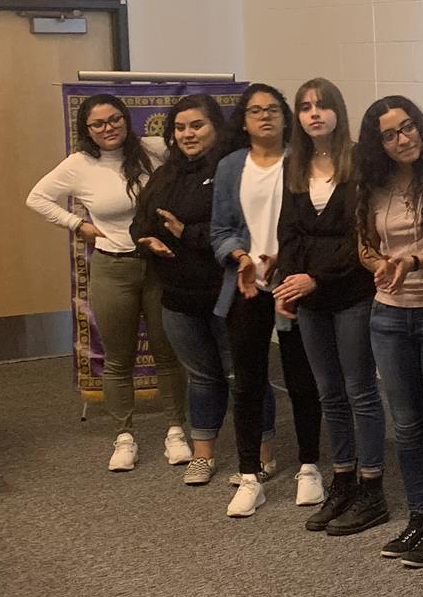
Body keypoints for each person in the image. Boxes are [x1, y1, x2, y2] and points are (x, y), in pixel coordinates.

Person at [27, 92, 190, 473]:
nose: (108, 128)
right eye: (98, 124)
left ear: (126, 119)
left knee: (168, 353)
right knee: (118, 359)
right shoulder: (79, 164)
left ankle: (176, 430)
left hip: (159, 266)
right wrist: (77, 224)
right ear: (87, 129)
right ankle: (124, 436)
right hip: (113, 268)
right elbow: (37, 198)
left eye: (114, 119)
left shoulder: (153, 149)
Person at [134, 94, 274, 488]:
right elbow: (140, 220)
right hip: (177, 295)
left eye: (197, 125)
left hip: (227, 292)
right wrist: (146, 240)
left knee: (244, 376)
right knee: (201, 377)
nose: (187, 134)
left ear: (217, 126)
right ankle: (203, 455)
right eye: (179, 127)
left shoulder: (235, 170)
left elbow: (241, 229)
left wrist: (186, 233)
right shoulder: (166, 173)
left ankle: (263, 455)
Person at [274, 78, 389, 537]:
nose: (314, 114)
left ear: (338, 111)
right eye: (305, 107)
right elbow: (288, 232)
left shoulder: (359, 162)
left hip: (352, 293)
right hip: (309, 300)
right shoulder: (295, 165)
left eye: (322, 105)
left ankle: (372, 487)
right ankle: (342, 479)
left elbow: (361, 237)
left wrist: (317, 277)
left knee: (360, 390)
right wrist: (288, 285)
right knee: (329, 393)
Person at [355, 95, 423, 569]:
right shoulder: (373, 185)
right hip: (390, 315)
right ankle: (418, 515)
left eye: (408, 127)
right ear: (377, 145)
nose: (403, 139)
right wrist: (380, 266)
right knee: (406, 424)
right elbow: (365, 247)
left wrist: (413, 262)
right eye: (389, 135)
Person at [209, 83, 323, 517]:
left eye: (273, 109)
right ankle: (249, 476)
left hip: (291, 284)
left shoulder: (303, 160)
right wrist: (239, 256)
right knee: (248, 382)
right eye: (255, 110)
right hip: (247, 287)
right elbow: (220, 230)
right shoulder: (230, 166)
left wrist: (287, 261)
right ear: (243, 121)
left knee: (301, 379)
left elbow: (313, 226)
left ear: (284, 117)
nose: (265, 116)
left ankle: (309, 467)